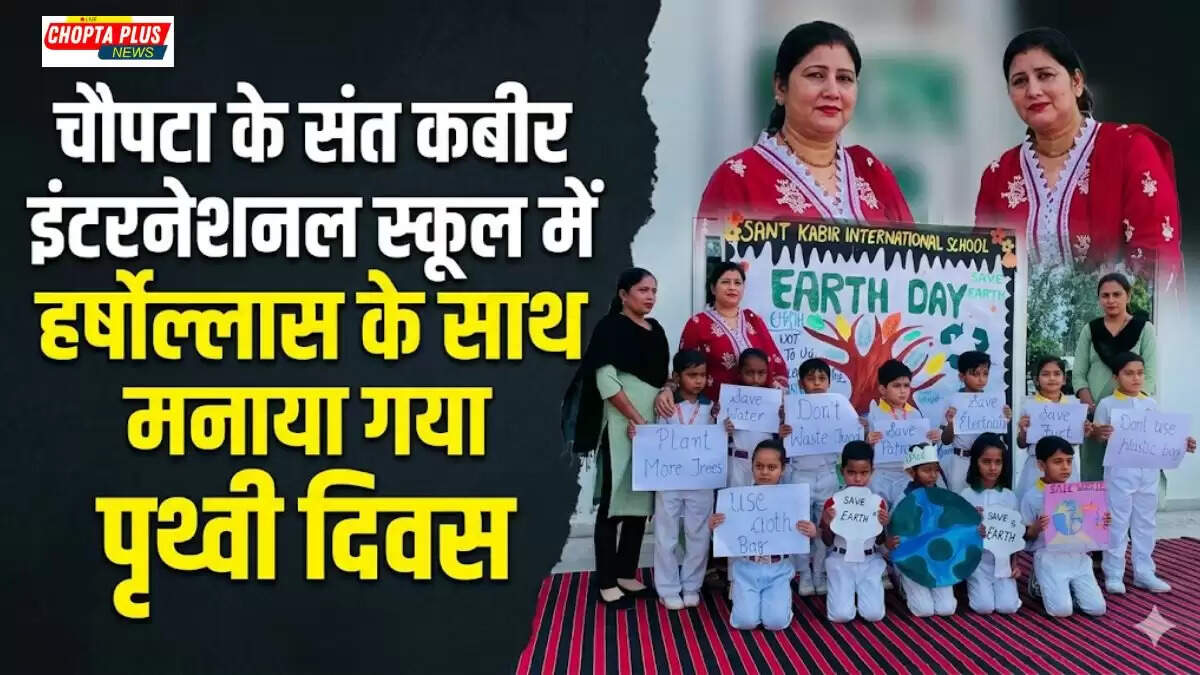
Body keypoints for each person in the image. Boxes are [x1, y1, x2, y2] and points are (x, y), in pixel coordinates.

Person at [974, 27, 1182, 284]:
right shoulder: (998, 176)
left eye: (1045, 75)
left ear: (1077, 82)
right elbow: (985, 274)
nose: (1033, 90)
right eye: (1020, 81)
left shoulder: (1130, 151)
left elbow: (1155, 264)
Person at [697, 21, 913, 226]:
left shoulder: (871, 170)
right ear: (781, 87)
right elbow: (714, 262)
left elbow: (917, 260)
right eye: (816, 75)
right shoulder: (737, 180)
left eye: (844, 79)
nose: (832, 92)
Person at [561, 268, 668, 608]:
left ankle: (626, 572)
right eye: (642, 290)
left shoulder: (657, 330)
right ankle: (606, 580)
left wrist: (667, 389)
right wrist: (636, 419)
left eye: (654, 290)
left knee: (640, 502)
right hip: (621, 425)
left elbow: (662, 376)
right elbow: (606, 382)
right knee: (614, 502)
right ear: (624, 294)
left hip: (651, 426)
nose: (650, 296)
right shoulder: (611, 327)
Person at [1090, 352, 1196, 594]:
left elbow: (1159, 436)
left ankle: (1144, 571)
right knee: (1117, 522)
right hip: (1119, 472)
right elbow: (1095, 437)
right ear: (1116, 377)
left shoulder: (1151, 404)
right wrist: (1099, 433)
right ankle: (1114, 573)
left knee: (1145, 522)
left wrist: (1182, 442)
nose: (1136, 378)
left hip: (1148, 471)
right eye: (1129, 373)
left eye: (1139, 373)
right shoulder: (1107, 404)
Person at [710, 439, 817, 631]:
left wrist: (811, 531)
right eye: (759, 466)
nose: (765, 472)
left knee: (776, 623)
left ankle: (781, 602)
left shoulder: (792, 500)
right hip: (746, 567)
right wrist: (715, 527)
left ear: (782, 469)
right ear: (751, 466)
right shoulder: (737, 500)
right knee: (745, 622)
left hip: (778, 568)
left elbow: (801, 533)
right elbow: (727, 537)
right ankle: (744, 596)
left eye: (772, 467)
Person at [659, 262, 788, 416]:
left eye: (737, 283)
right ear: (713, 288)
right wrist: (668, 389)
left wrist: (779, 397)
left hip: (759, 412)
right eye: (725, 282)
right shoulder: (698, 324)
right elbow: (685, 367)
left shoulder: (754, 320)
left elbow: (775, 360)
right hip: (714, 411)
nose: (732, 287)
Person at [1074, 273, 1157, 481]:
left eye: (1117, 294)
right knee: (1093, 477)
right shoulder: (1090, 330)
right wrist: (1091, 407)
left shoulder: (1143, 329)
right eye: (1105, 295)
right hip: (1095, 421)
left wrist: (1130, 412)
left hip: (1132, 422)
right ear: (1099, 298)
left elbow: (1150, 376)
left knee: (1127, 480)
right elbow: (1078, 374)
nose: (1110, 300)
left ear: (1128, 296)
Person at [652, 350, 717, 610]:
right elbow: (654, 436)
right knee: (666, 534)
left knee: (698, 534)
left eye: (702, 375)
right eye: (692, 375)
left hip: (701, 481)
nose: (698, 381)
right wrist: (639, 434)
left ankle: (692, 585)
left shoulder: (712, 407)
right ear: (677, 377)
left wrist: (725, 427)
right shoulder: (665, 405)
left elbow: (719, 439)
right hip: (669, 480)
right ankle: (667, 588)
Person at [1020, 436, 1109, 618]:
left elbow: (1089, 529)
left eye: (1069, 461)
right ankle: (1037, 583)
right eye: (1058, 462)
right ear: (1041, 465)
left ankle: (1069, 590)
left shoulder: (1081, 493)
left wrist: (1101, 522)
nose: (1065, 468)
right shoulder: (1032, 497)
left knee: (1097, 608)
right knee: (1061, 611)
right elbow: (1024, 536)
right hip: (1048, 556)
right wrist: (1035, 528)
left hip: (1077, 555)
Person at [782, 358, 842, 596]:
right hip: (800, 475)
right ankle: (804, 575)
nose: (817, 384)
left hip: (827, 474)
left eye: (822, 379)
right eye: (811, 378)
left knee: (824, 527)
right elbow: (781, 447)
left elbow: (847, 440)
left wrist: (858, 427)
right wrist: (782, 432)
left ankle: (820, 573)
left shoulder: (839, 409)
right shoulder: (791, 409)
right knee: (801, 528)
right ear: (801, 383)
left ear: (828, 382)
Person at [820, 440, 891, 623]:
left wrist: (883, 525)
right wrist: (827, 523)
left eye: (864, 473)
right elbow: (827, 541)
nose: (858, 479)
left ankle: (866, 592)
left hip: (869, 560)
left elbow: (880, 541)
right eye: (851, 472)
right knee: (840, 615)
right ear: (842, 471)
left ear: (872, 472)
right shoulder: (833, 502)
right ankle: (842, 592)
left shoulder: (878, 502)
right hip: (841, 560)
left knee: (874, 614)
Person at [959, 433, 1022, 615]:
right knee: (984, 607)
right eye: (986, 462)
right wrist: (974, 530)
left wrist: (1014, 564)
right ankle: (971, 586)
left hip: (1002, 562)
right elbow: (959, 535)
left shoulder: (1009, 496)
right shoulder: (966, 495)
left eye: (998, 462)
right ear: (975, 462)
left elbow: (1014, 536)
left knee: (1008, 607)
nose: (993, 468)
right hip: (977, 562)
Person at [866, 359, 943, 504]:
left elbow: (922, 448)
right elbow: (868, 449)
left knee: (904, 514)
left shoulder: (915, 414)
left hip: (908, 475)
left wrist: (933, 439)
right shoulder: (875, 414)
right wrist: (868, 441)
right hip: (882, 475)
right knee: (880, 515)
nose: (902, 391)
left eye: (906, 386)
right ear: (883, 389)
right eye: (896, 386)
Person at [892, 443, 956, 618]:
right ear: (912, 473)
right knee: (924, 610)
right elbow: (897, 534)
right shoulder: (904, 499)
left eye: (935, 470)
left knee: (946, 609)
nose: (933, 475)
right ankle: (903, 582)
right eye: (927, 470)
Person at [1016, 355, 1088, 501]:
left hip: (1065, 466)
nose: (1052, 378)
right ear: (1037, 379)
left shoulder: (1073, 406)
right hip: (1037, 466)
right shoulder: (1029, 405)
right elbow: (1021, 444)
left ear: (1064, 379)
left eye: (1057, 374)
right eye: (1045, 374)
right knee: (1035, 508)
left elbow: (1074, 442)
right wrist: (1023, 430)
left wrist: (1084, 432)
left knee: (1066, 508)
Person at [940, 351, 1012, 493]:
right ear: (962, 376)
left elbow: (997, 437)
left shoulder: (993, 403)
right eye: (975, 374)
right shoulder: (953, 402)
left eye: (985, 374)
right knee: (960, 505)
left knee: (984, 502)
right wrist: (951, 424)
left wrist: (1005, 420)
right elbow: (946, 440)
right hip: (961, 460)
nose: (981, 379)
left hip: (984, 464)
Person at [721, 348, 785, 488]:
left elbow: (779, 438)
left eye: (761, 373)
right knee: (736, 505)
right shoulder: (729, 399)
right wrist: (724, 430)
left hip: (766, 467)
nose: (756, 379)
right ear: (740, 373)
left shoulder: (774, 401)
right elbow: (718, 438)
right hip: (737, 463)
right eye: (750, 373)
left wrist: (781, 428)